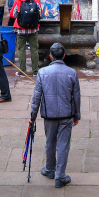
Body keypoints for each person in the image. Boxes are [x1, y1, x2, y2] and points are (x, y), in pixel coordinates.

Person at [30, 43, 81, 189]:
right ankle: (60, 176)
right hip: (66, 114)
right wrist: (77, 114)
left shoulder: (42, 72)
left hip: (49, 115)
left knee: (50, 142)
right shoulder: (71, 73)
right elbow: (76, 96)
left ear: (51, 56)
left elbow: (36, 97)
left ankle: (49, 169)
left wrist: (32, 116)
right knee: (63, 145)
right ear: (64, 56)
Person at [11, 0, 42, 76]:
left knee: (21, 49)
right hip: (34, 27)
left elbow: (13, 14)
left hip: (21, 27)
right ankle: (35, 71)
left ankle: (22, 72)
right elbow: (40, 12)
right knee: (34, 49)